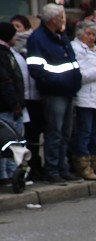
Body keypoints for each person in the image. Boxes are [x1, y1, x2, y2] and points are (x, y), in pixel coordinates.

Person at [26, 3, 83, 183]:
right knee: (54, 132)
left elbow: (71, 62)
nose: (62, 20)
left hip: (68, 90)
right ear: (52, 19)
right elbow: (36, 69)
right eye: (60, 17)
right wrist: (58, 82)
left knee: (65, 133)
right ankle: (52, 169)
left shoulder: (60, 36)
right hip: (54, 92)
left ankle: (62, 167)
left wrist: (75, 81)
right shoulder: (38, 38)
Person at [71, 20, 96, 181]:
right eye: (88, 34)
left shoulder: (94, 50)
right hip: (84, 97)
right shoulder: (76, 48)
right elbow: (81, 75)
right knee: (85, 132)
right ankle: (83, 165)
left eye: (94, 34)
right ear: (80, 33)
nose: (91, 37)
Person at [0, 21, 25, 187]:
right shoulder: (2, 54)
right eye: (13, 34)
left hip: (10, 105)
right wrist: (15, 104)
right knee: (8, 144)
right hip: (6, 107)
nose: (16, 37)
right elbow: (5, 81)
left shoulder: (7, 52)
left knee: (12, 143)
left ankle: (10, 174)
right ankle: (6, 175)